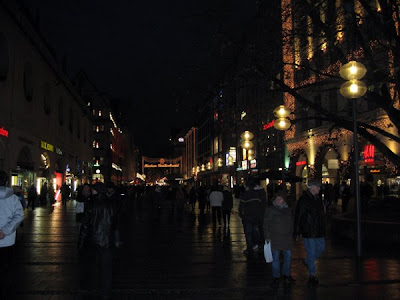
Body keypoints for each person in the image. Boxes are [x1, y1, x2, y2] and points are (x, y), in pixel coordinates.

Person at [78, 182, 116, 299]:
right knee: (106, 269)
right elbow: (115, 223)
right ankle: (105, 292)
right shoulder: (110, 204)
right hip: (107, 240)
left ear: (97, 191)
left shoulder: (91, 204)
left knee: (93, 267)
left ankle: (93, 289)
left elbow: (85, 225)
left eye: (93, 190)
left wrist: (81, 242)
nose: (91, 191)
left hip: (94, 240)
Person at [294, 178, 326, 285]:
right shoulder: (304, 200)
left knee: (321, 248)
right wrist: (297, 231)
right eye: (317, 187)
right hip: (308, 230)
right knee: (311, 252)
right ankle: (312, 274)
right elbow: (299, 216)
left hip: (319, 230)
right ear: (311, 187)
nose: (319, 188)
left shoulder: (318, 199)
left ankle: (307, 261)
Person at [0, 170, 24, 298]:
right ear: (7, 182)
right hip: (8, 240)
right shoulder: (13, 198)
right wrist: (4, 231)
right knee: (6, 269)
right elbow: (19, 216)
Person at [264, 190, 295, 285]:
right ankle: (276, 276)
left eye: (280, 199)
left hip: (286, 238)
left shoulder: (288, 210)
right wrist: (267, 237)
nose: (278, 200)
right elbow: (266, 224)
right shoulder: (270, 210)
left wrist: (292, 233)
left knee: (288, 257)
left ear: (284, 200)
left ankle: (286, 274)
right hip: (275, 238)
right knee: (275, 258)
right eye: (277, 199)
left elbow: (291, 223)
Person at [238, 178, 264, 255]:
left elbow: (241, 207)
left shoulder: (245, 195)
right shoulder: (257, 194)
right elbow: (261, 205)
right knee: (255, 232)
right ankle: (258, 245)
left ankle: (250, 248)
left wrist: (242, 215)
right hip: (256, 217)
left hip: (247, 217)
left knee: (248, 233)